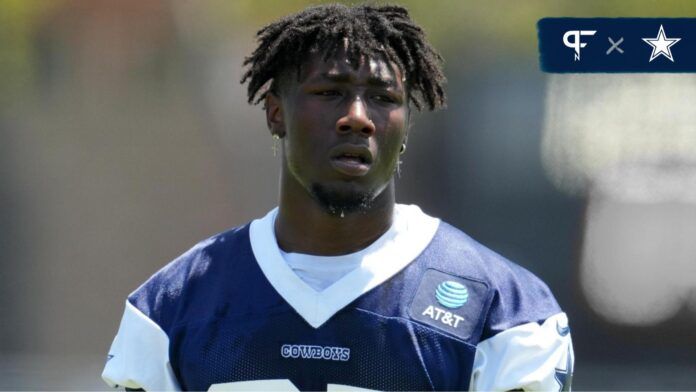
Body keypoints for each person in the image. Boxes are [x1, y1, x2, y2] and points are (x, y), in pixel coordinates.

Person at [102, 3, 573, 391]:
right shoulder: (171, 307)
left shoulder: (504, 312)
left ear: (406, 124)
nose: (356, 117)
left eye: (383, 98)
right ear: (275, 113)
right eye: (330, 92)